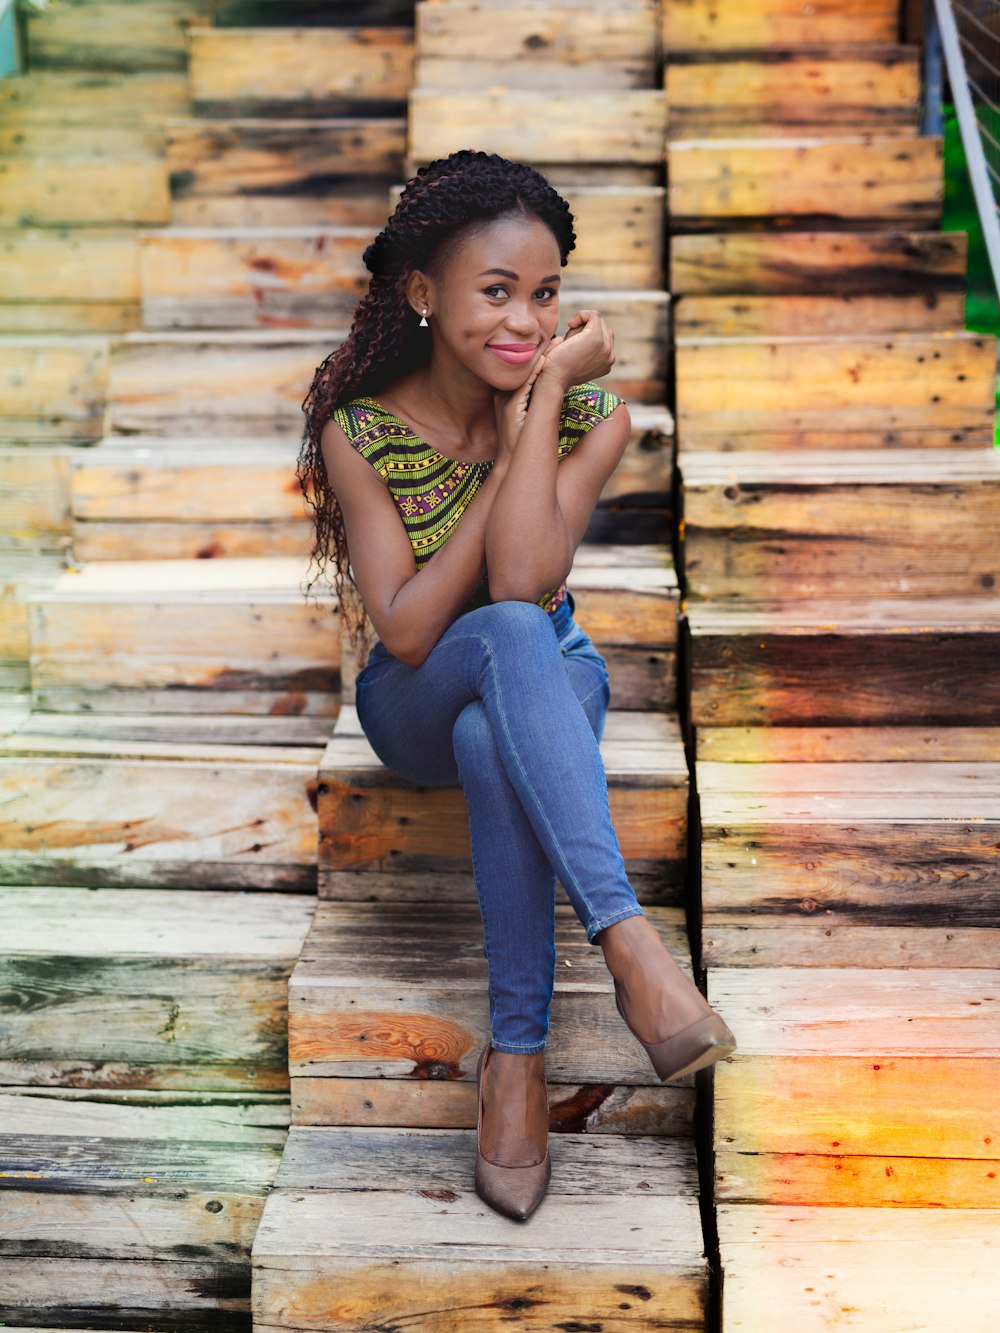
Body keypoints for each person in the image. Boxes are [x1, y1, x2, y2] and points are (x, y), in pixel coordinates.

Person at [296, 149, 736, 1223]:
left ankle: (517, 1064)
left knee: (507, 721)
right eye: (495, 292)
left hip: (543, 672)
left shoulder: (597, 421)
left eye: (545, 296)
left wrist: (537, 405)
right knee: (493, 639)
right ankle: (630, 943)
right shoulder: (363, 431)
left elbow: (532, 580)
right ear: (422, 292)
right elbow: (406, 629)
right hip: (415, 698)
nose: (526, 321)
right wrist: (500, 458)